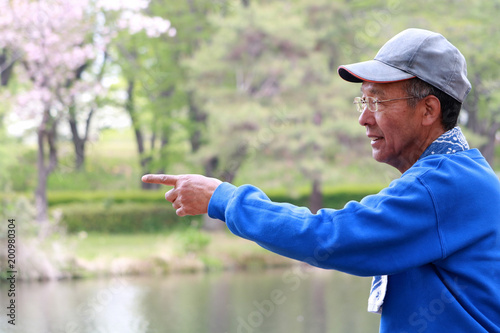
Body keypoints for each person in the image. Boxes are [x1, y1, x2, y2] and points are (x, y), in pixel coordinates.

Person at [142, 28, 500, 332]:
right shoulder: (455, 175)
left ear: (428, 110)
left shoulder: (443, 185)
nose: (363, 118)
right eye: (363, 100)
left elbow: (330, 237)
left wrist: (222, 199)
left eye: (377, 101)